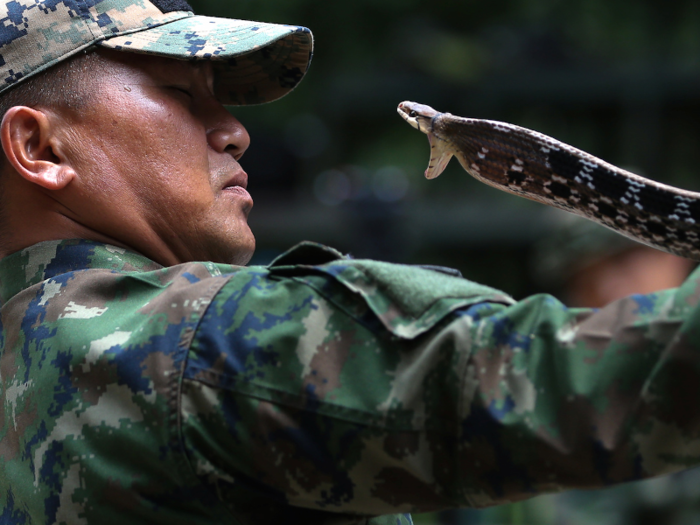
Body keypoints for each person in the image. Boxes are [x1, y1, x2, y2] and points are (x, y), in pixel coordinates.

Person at [1, 1, 700, 524]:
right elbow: (597, 376)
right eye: (182, 96)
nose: (235, 131)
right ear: (41, 147)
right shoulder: (193, 343)